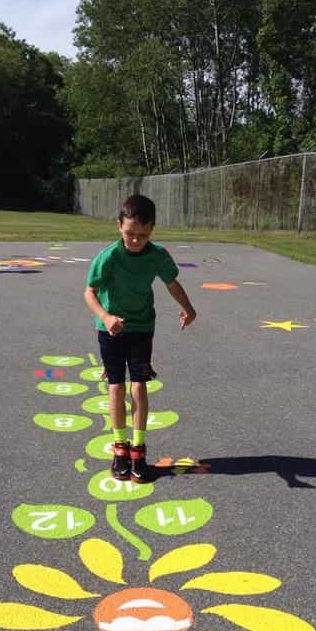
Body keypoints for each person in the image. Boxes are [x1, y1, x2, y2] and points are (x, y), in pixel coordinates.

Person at [84, 194, 196, 483]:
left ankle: (138, 451)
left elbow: (172, 283)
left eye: (142, 235)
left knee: (139, 386)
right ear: (119, 226)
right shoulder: (108, 257)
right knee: (116, 387)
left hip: (142, 327)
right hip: (111, 330)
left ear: (152, 230)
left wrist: (188, 308)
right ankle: (119, 448)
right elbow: (90, 292)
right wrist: (106, 317)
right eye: (130, 234)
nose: (135, 241)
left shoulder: (157, 255)